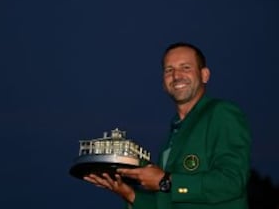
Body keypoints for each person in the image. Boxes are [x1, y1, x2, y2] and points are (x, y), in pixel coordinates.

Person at [84, 42, 251, 209]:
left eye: (185, 67)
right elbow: (169, 202)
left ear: (204, 75)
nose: (176, 75)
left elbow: (232, 182)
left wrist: (166, 181)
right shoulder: (175, 132)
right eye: (169, 70)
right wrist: (128, 193)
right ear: (164, 83)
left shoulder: (220, 113)